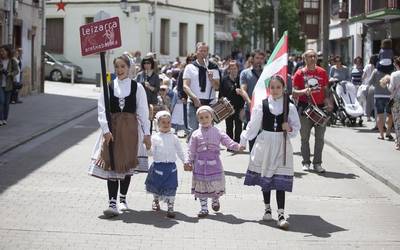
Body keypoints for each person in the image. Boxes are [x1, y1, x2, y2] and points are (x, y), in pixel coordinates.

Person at [88, 55, 151, 217]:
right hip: (113, 129)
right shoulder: (108, 86)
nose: (120, 70)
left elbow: (143, 111)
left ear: (129, 68)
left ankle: (122, 199)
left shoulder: (137, 87)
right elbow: (102, 110)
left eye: (123, 67)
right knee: (112, 164)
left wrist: (147, 133)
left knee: (126, 164)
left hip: (130, 130)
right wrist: (106, 130)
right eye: (117, 67)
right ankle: (112, 202)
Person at [240, 75, 300, 229]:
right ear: (269, 89)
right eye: (272, 87)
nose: (275, 90)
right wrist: (244, 140)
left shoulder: (289, 106)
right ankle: (267, 209)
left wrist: (290, 128)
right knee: (266, 177)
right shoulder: (262, 104)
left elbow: (296, 128)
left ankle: (281, 214)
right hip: (265, 143)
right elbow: (253, 125)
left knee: (280, 180)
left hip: (281, 144)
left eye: (278, 87)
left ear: (283, 88)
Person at [188, 106, 245, 217]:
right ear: (198, 119)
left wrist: (237, 146)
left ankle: (215, 200)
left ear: (212, 117)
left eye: (206, 117)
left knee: (214, 184)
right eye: (201, 118)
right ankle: (204, 208)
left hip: (214, 164)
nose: (204, 120)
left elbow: (228, 142)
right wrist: (188, 161)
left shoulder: (218, 132)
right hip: (200, 165)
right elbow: (191, 149)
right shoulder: (195, 134)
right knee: (201, 186)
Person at [145, 111, 191, 218]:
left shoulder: (174, 137)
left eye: (168, 122)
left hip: (171, 168)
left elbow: (180, 151)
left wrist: (185, 161)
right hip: (158, 167)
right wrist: (147, 147)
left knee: (171, 186)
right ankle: (156, 200)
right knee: (156, 186)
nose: (166, 125)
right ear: (158, 124)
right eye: (163, 122)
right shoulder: (155, 137)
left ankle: (170, 206)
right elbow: (151, 153)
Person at [292, 49, 332, 173]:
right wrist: (304, 91)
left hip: (320, 108)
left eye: (314, 56)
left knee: (320, 138)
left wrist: (328, 101)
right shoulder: (299, 73)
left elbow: (326, 90)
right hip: (305, 108)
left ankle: (317, 163)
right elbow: (293, 92)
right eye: (310, 56)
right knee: (305, 138)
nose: (313, 58)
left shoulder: (322, 72)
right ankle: (306, 162)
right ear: (305, 59)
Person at [183, 42, 220, 138]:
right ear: (196, 52)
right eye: (201, 51)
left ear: (208, 53)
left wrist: (211, 79)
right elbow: (185, 86)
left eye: (205, 51)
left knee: (209, 130)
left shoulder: (213, 67)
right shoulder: (190, 67)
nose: (203, 53)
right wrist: (194, 98)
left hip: (209, 102)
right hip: (193, 102)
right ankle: (192, 152)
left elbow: (217, 87)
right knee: (193, 130)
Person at [240, 49, 266, 151]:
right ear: (252, 59)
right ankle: (253, 159)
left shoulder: (267, 73)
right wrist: (250, 102)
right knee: (252, 134)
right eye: (257, 58)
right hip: (250, 108)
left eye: (262, 58)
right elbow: (243, 90)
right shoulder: (245, 73)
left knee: (264, 134)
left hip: (265, 107)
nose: (259, 61)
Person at [219, 60, 245, 145]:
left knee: (238, 126)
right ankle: (229, 144)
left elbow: (245, 93)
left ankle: (237, 143)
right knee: (229, 126)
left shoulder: (241, 79)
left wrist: (243, 107)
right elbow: (221, 93)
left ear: (238, 69)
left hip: (239, 107)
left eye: (235, 68)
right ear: (228, 69)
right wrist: (221, 105)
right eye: (231, 68)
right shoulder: (224, 79)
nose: (233, 70)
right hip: (228, 107)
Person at [136, 56, 160, 134]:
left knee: (149, 120)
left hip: (151, 101)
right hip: (141, 101)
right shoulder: (140, 75)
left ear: (151, 64)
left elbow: (157, 90)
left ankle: (148, 136)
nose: (146, 65)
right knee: (140, 119)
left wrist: (149, 86)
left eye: (148, 63)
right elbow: (135, 86)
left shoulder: (155, 76)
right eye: (145, 63)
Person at [369, 69, 393, 140]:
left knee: (380, 115)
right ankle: (388, 133)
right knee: (390, 115)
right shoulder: (392, 70)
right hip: (389, 96)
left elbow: (370, 82)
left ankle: (381, 135)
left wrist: (377, 85)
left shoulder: (375, 71)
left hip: (378, 95)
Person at [0, 45, 19, 126]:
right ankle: (0, 119)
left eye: (3, 51)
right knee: (1, 101)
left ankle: (5, 118)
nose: (1, 52)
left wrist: (10, 74)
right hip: (0, 84)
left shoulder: (12, 61)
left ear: (7, 52)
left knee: (6, 103)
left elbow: (16, 71)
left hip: (8, 85)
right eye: (0, 51)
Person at [363, 54, 379, 121]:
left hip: (368, 86)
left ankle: (368, 117)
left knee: (368, 102)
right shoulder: (378, 68)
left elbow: (363, 76)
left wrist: (363, 83)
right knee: (375, 103)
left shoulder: (367, 66)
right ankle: (376, 117)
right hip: (377, 86)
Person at [389, 57, 400, 150]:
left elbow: (391, 88)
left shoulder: (394, 74)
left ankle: (399, 142)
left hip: (396, 99)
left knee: (397, 121)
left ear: (396, 64)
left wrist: (387, 83)